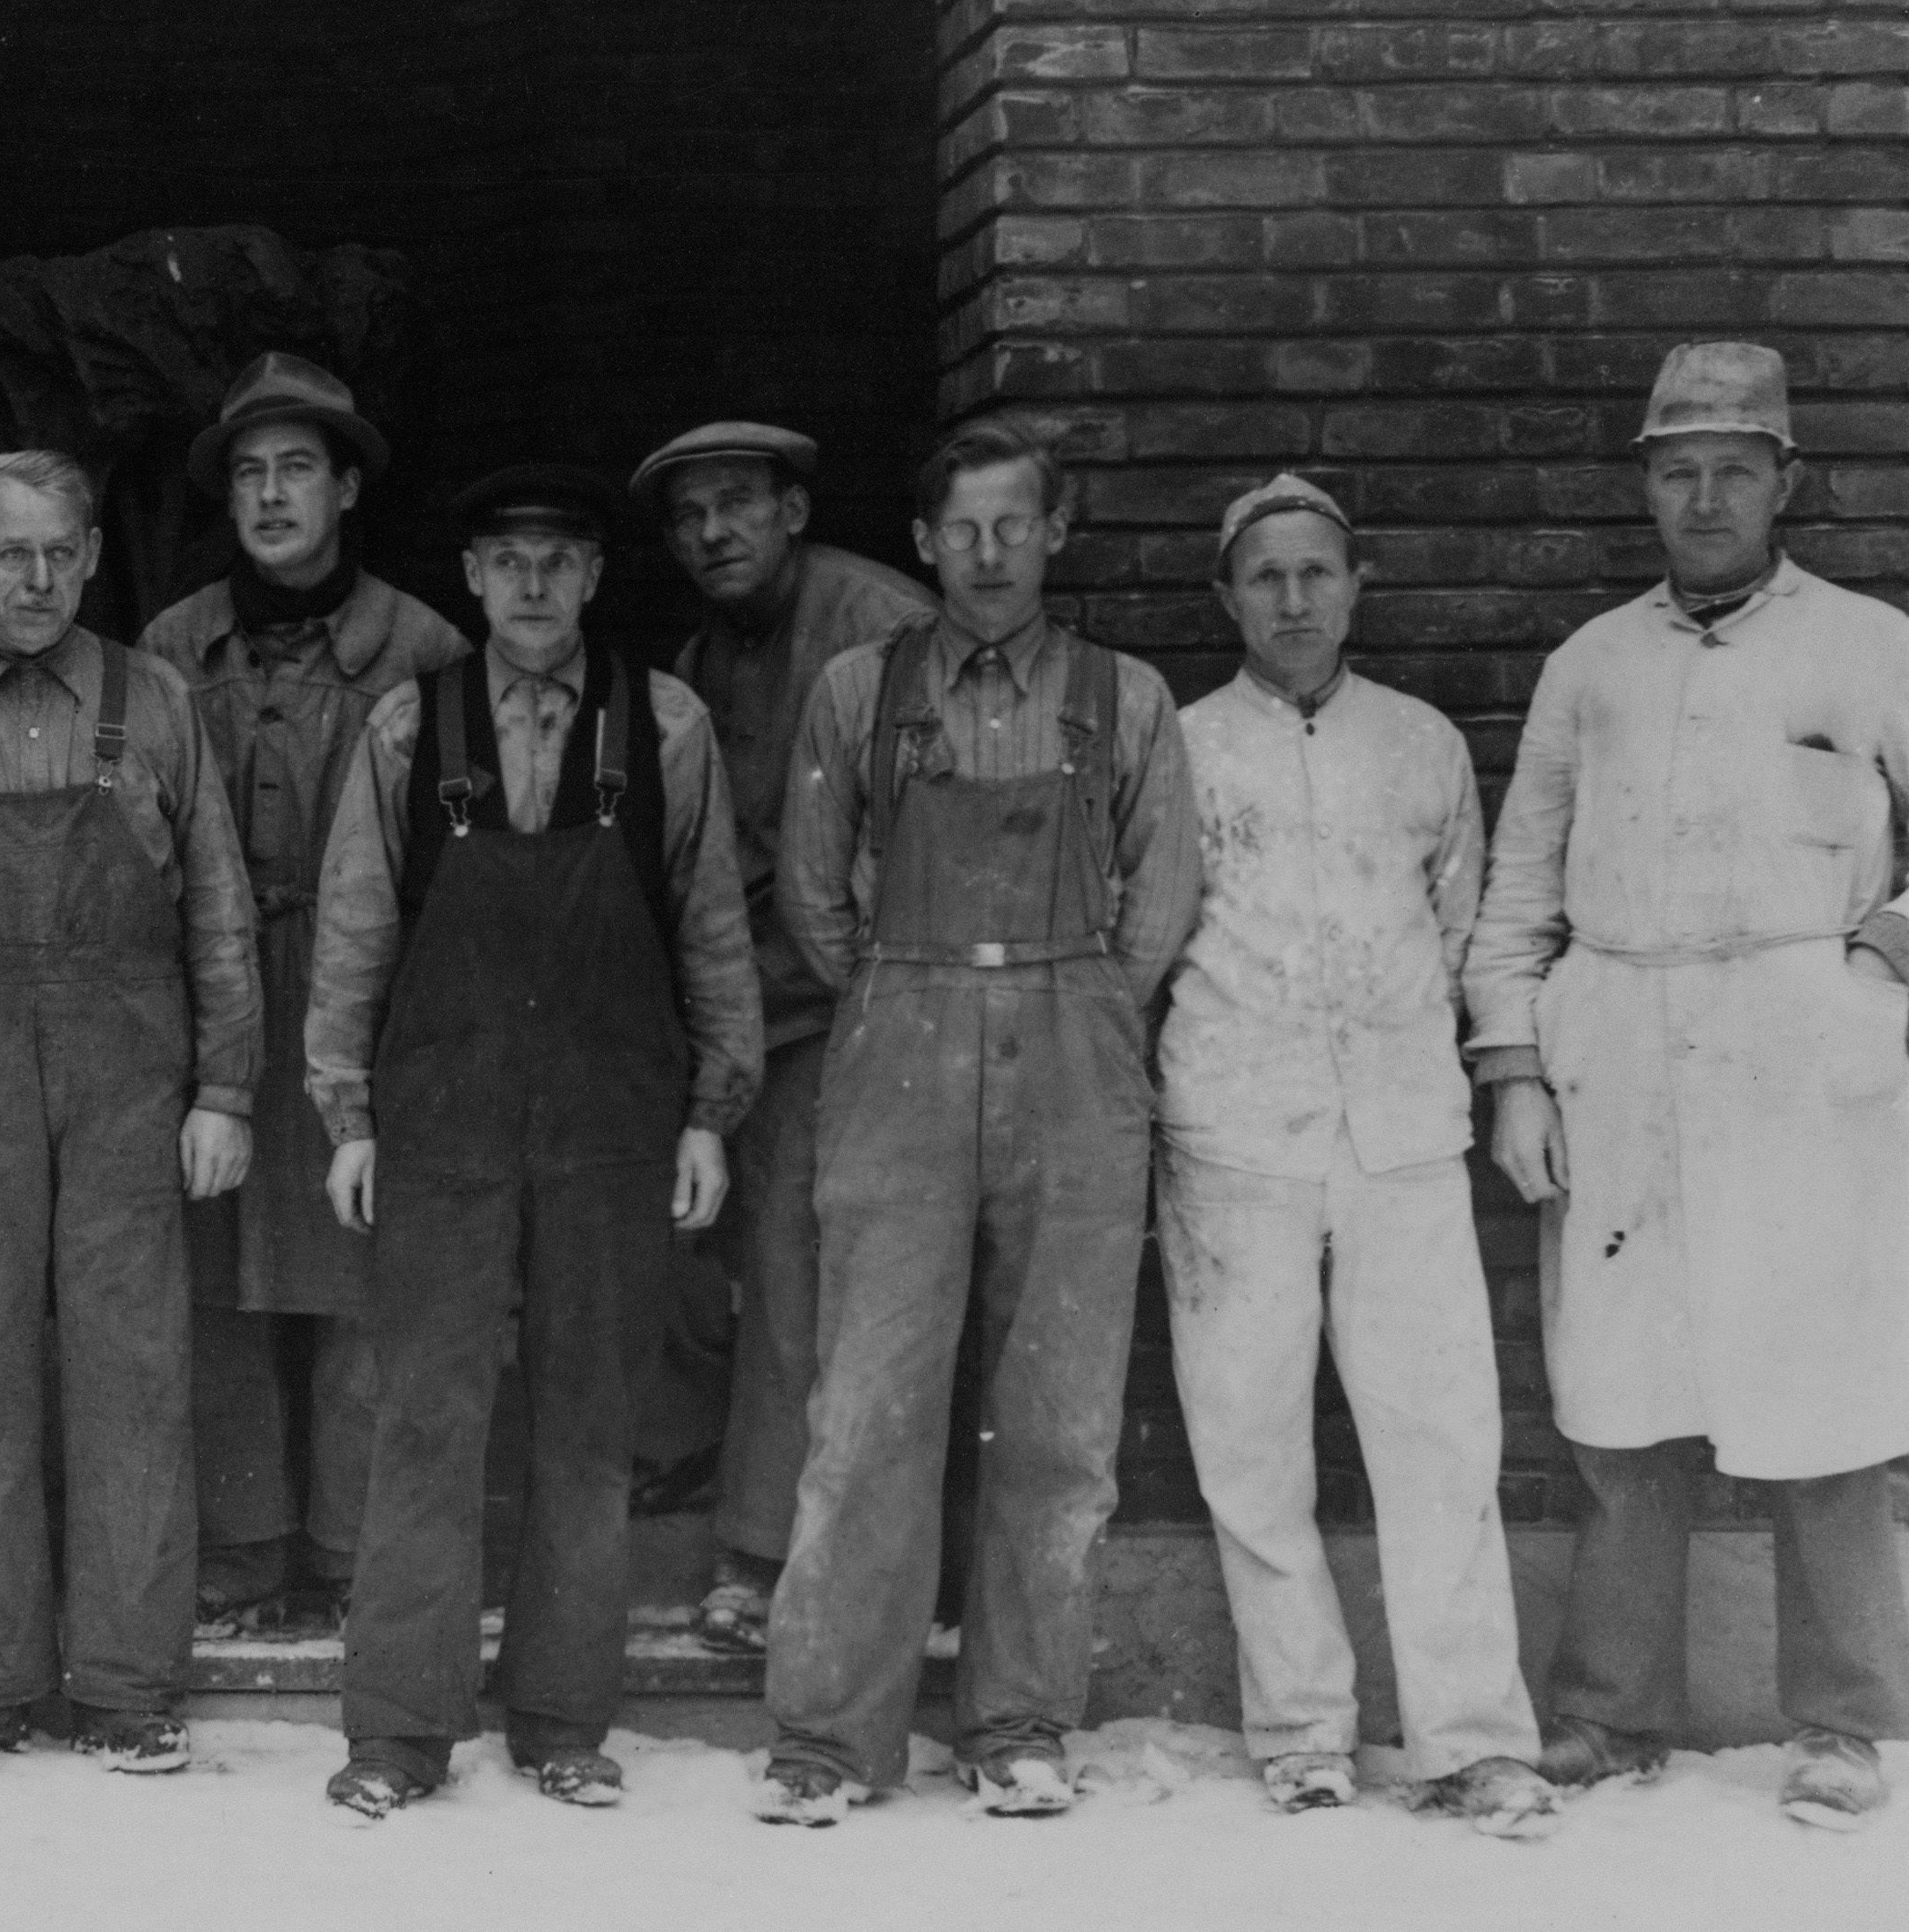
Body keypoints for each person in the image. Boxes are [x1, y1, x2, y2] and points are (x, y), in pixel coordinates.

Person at [1465, 340, 1909, 1830]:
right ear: (1644, 485)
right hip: (1623, 1046)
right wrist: (1515, 1063)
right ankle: (1609, 1708)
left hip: (1802, 1053)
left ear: (1790, 479)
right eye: (1677, 468)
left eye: (1735, 466)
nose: (1705, 494)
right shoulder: (1590, 663)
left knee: (1824, 1390)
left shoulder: (1871, 644)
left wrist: (1876, 982)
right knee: (1622, 1392)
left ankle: (1845, 1720)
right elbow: (1519, 879)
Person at [755, 418, 1198, 1825]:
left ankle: (1019, 1720)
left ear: (1055, 534)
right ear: (924, 542)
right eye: (965, 529)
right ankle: (829, 1736)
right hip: (902, 1056)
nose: (991, 554)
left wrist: (1069, 1003)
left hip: (1076, 1054)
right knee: (870, 1401)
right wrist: (922, 994)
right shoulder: (857, 693)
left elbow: (1162, 895)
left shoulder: (1125, 700)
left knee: (1055, 1417)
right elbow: (815, 897)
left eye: (1017, 525)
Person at [304, 463, 762, 1818]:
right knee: (427, 1412)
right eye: (507, 559)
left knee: (589, 1414)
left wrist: (710, 1113)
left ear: (596, 576)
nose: (534, 584)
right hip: (444, 1114)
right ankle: (397, 1728)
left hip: (614, 1114)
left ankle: (566, 1716)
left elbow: (712, 932)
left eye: (559, 558)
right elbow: (355, 932)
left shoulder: (663, 723)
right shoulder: (407, 724)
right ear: (471, 576)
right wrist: (346, 1114)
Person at [0, 450, 262, 1778]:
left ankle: (131, 1681)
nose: (35, 576)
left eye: (60, 552)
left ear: (89, 559)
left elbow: (217, 906)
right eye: (7, 551)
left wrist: (227, 1088)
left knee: (132, 1368)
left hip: (127, 1071)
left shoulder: (158, 698)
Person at [1158, 474, 1557, 1838]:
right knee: (1248, 1436)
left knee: (1440, 1434)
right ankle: (1302, 1725)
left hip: (1398, 1127)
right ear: (1227, 596)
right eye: (1264, 576)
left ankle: (1471, 1736)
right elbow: (1145, 926)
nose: (1293, 600)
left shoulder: (1423, 741)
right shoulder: (1183, 743)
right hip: (1232, 1126)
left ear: (1356, 583)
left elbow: (1456, 922)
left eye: (1316, 572)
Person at [142, 353, 467, 1636]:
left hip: (364, 1002)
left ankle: (347, 1549)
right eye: (249, 474)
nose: (272, 496)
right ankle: (243, 1547)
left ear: (345, 486)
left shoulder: (426, 648)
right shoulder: (172, 646)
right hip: (212, 994)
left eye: (297, 469)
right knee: (213, 1282)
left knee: (362, 1282)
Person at [635, 419, 934, 1652]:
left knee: (794, 1257)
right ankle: (685, 1454)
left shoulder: (882, 624)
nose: (716, 531)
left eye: (740, 503)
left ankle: (762, 1553)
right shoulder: (699, 658)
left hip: (853, 1002)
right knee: (668, 1221)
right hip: (742, 997)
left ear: (795, 511)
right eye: (692, 513)